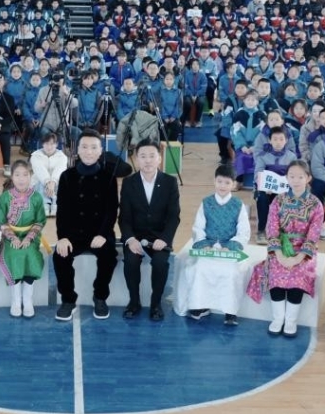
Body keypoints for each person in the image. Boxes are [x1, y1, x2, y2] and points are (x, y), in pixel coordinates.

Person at [53, 129, 132, 321]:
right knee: (60, 256)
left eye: (94, 147)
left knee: (109, 256)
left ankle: (100, 296)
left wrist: (103, 234)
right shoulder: (66, 176)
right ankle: (68, 299)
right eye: (85, 147)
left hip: (99, 232)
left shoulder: (108, 177)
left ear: (100, 151)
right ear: (77, 150)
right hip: (74, 233)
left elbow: (111, 210)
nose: (89, 152)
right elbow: (62, 211)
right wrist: (62, 237)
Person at [246, 160, 325, 337]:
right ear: (286, 178)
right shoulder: (278, 200)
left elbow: (313, 235)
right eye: (292, 176)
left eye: (300, 177)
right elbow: (272, 228)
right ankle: (278, 319)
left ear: (308, 178)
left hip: (304, 251)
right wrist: (279, 254)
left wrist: (298, 258)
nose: (296, 180)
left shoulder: (315, 204)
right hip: (280, 247)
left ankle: (291, 321)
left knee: (298, 274)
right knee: (276, 271)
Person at [173, 164, 252, 325]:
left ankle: (230, 311)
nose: (222, 186)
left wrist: (231, 246)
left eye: (227, 182)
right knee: (200, 268)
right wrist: (203, 244)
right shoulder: (206, 203)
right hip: (208, 247)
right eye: (219, 181)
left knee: (231, 272)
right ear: (214, 181)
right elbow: (198, 228)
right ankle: (199, 306)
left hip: (228, 248)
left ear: (233, 184)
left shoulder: (238, 205)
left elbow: (243, 231)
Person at [117, 141, 179, 321]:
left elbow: (173, 216)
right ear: (136, 159)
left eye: (152, 156)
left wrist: (165, 239)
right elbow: (124, 217)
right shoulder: (129, 182)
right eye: (143, 156)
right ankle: (134, 302)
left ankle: (156, 303)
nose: (148, 160)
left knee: (160, 263)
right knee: (130, 261)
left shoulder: (170, 182)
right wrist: (130, 239)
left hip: (160, 237)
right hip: (136, 236)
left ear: (159, 158)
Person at [0, 159, 46, 318]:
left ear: (31, 176)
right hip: (10, 237)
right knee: (14, 254)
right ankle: (16, 300)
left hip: (31, 237)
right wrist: (13, 238)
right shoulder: (5, 198)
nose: (21, 179)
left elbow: (40, 221)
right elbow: (2, 222)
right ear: (12, 176)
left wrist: (29, 238)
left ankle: (28, 300)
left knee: (31, 255)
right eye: (17, 175)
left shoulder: (37, 197)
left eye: (25, 175)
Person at [29, 133, 67, 217]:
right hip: (39, 183)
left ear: (56, 144)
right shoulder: (35, 156)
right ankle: (44, 205)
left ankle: (56, 204)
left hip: (56, 183)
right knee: (41, 182)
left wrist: (53, 182)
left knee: (60, 182)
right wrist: (47, 182)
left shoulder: (63, 157)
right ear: (42, 144)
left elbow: (59, 170)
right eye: (46, 143)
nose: (49, 147)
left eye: (52, 144)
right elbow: (40, 170)